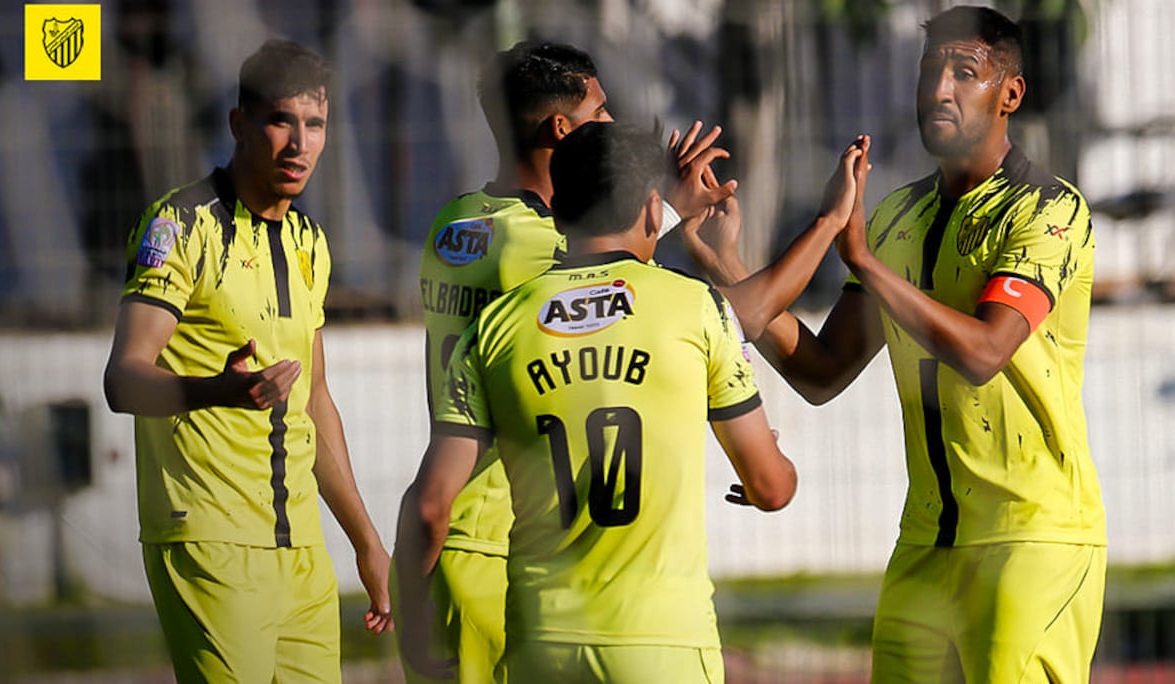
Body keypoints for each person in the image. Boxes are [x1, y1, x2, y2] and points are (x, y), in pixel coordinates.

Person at [685, 6, 1106, 682]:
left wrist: (865, 263)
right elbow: (823, 372)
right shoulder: (896, 216)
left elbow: (984, 352)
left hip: (1031, 541)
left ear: (1010, 95)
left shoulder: (1048, 209)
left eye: (964, 72)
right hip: (924, 547)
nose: (939, 88)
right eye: (930, 69)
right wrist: (726, 264)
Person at [396, 121, 823, 683]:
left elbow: (429, 507)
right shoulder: (697, 308)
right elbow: (772, 488)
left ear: (556, 212)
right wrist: (770, 461)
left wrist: (414, 622)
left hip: (542, 643)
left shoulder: (496, 326)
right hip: (663, 644)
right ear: (653, 209)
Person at [406, 40, 736, 683]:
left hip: (452, 534)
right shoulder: (530, 249)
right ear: (563, 128)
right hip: (500, 544)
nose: (612, 125)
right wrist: (661, 203)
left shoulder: (457, 223)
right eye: (601, 112)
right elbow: (633, 302)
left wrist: (652, 202)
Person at [103, 39, 392, 683]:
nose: (299, 144)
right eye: (279, 121)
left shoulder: (309, 241)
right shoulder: (180, 223)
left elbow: (316, 400)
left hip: (303, 550)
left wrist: (367, 543)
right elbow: (123, 379)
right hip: (210, 537)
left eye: (314, 124)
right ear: (239, 124)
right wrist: (219, 391)